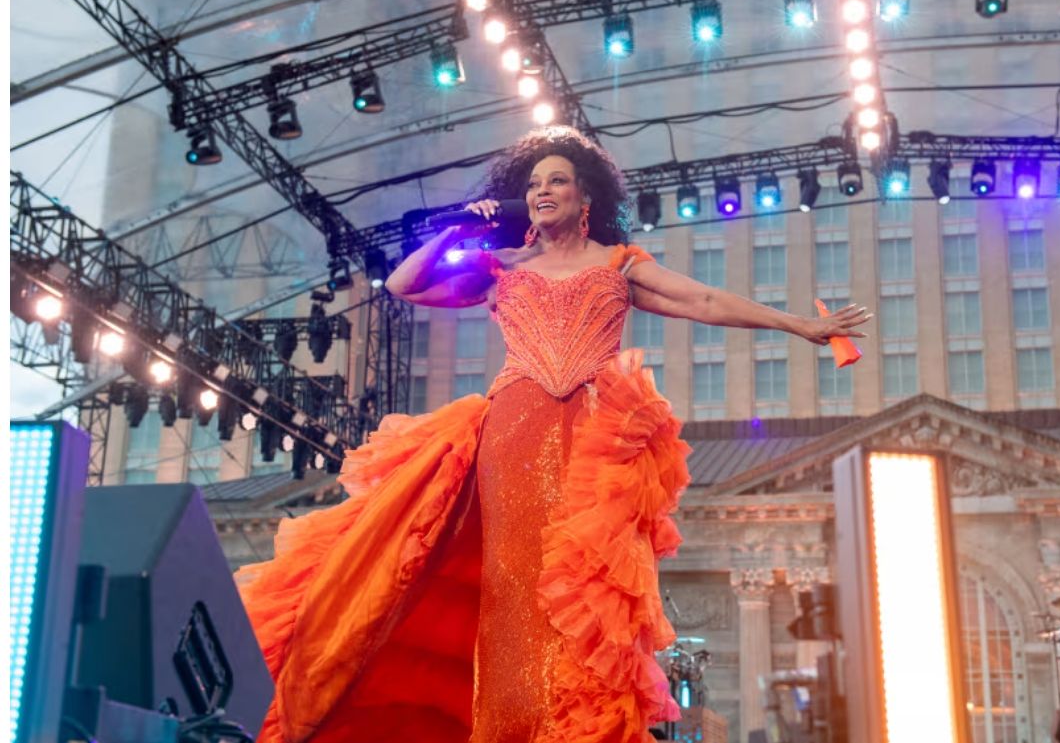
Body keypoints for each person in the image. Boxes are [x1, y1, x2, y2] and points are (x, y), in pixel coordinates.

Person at [234, 126, 870, 743]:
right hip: (512, 432)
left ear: (585, 197)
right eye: (535, 182)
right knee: (511, 588)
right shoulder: (502, 264)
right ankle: (505, 728)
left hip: (596, 442)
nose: (543, 190)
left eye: (558, 180)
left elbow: (704, 302)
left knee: (589, 591)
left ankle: (575, 729)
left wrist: (799, 326)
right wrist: (461, 226)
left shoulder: (621, 264)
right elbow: (404, 286)